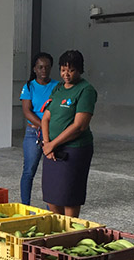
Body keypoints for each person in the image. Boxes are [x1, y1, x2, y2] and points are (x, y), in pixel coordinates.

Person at [40, 49, 96, 218]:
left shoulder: (86, 90)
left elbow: (79, 126)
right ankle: (58, 227)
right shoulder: (58, 88)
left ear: (79, 70)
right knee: (51, 194)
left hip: (74, 150)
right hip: (51, 149)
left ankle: (70, 231)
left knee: (69, 195)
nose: (66, 74)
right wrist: (46, 143)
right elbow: (46, 117)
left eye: (71, 70)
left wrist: (52, 144)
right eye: (63, 69)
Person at [19, 52, 59, 205]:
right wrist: (43, 125)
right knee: (29, 171)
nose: (44, 70)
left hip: (54, 133)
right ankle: (25, 206)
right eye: (40, 67)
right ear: (34, 69)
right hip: (33, 133)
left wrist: (48, 128)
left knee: (52, 173)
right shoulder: (29, 86)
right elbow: (27, 111)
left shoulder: (57, 86)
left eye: (47, 67)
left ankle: (52, 207)